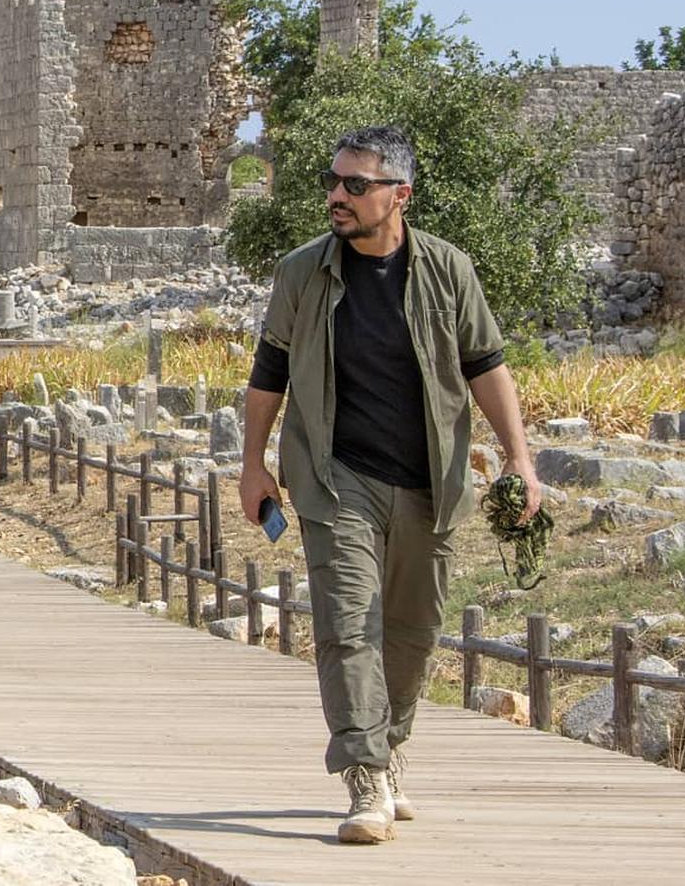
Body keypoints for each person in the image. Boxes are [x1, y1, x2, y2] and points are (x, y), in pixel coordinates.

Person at [238, 125, 542, 844]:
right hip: (333, 479)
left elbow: (486, 367)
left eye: (356, 185)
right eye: (333, 182)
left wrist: (520, 460)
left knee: (411, 631)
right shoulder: (301, 273)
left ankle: (391, 742)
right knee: (347, 627)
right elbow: (268, 374)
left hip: (430, 482)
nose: (337, 197)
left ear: (399, 195)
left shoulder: (448, 270)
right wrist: (254, 465)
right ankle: (365, 774)